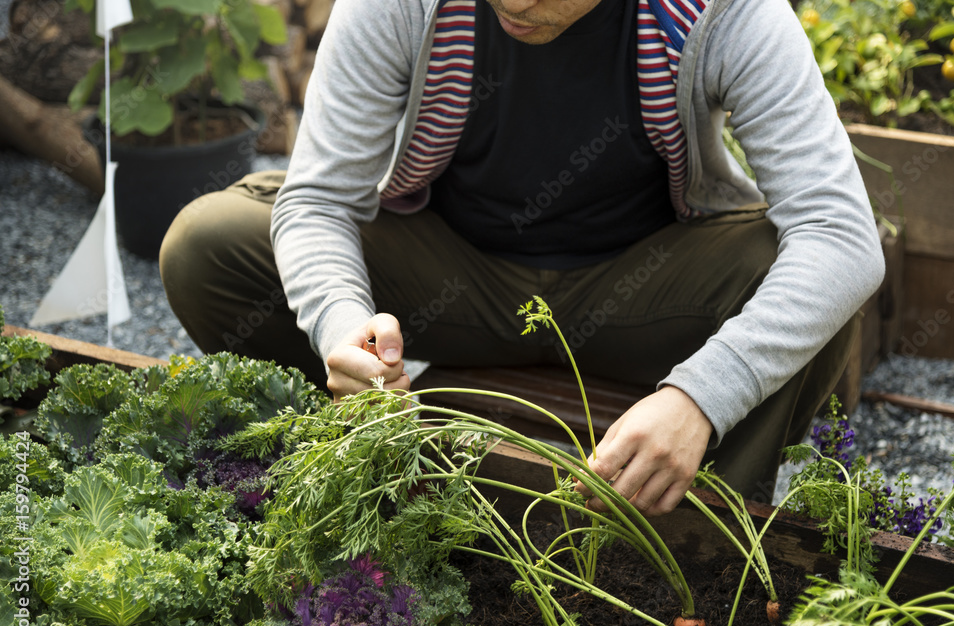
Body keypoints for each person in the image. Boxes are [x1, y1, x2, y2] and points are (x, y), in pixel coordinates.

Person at [160, 0, 885, 515]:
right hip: (451, 283)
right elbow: (319, 200)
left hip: (639, 296)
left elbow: (842, 237)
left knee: (812, 282)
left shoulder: (724, 14)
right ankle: (344, 484)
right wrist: (342, 324)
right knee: (209, 242)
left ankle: (697, 533)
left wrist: (700, 396)